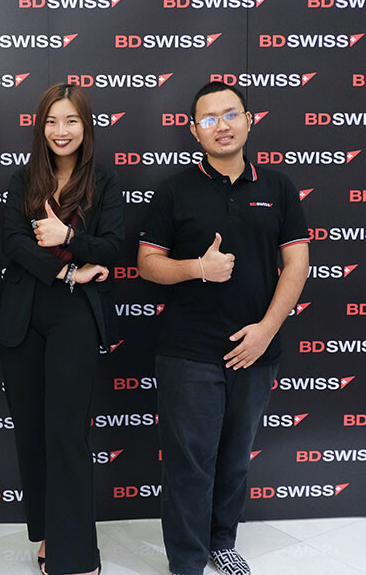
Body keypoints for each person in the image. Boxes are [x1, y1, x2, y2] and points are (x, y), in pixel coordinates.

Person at [137, 81, 309, 575]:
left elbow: (297, 265)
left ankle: (222, 542)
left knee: (235, 459)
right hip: (188, 351)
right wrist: (198, 268)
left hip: (256, 348)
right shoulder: (174, 190)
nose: (222, 125)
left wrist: (266, 331)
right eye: (209, 119)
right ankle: (187, 561)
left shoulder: (278, 187)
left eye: (231, 114)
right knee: (189, 463)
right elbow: (148, 264)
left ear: (249, 121)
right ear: (194, 131)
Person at [0, 83, 124, 575]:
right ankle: (49, 535)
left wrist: (68, 235)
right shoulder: (24, 178)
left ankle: (78, 555)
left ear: (85, 126)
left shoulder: (104, 181)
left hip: (74, 317)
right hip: (24, 315)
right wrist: (68, 267)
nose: (61, 130)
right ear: (40, 127)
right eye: (52, 121)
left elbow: (112, 248)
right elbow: (11, 241)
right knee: (32, 433)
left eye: (71, 120)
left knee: (67, 433)